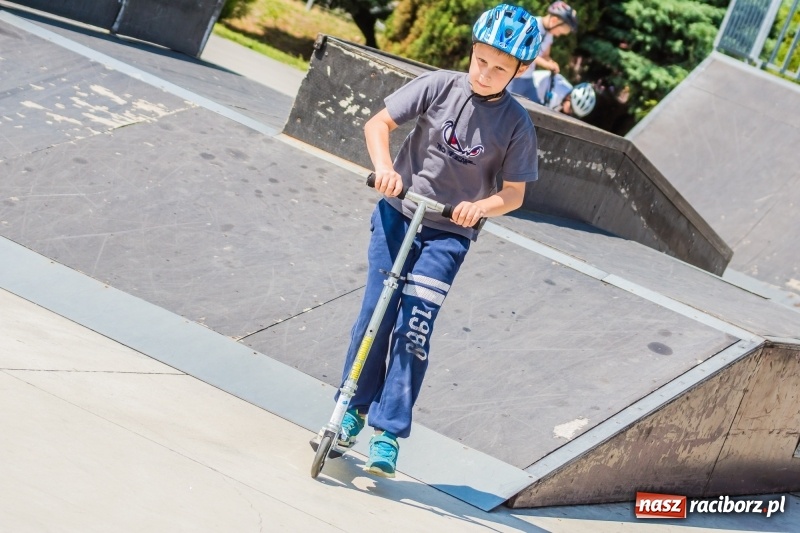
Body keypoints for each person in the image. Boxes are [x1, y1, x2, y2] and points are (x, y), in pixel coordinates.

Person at [335, 3, 542, 478]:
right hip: (397, 214)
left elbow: (513, 195)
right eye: (481, 60)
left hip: (448, 234)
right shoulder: (440, 86)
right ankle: (351, 408)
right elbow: (378, 124)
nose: (485, 74)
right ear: (472, 52)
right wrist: (386, 170)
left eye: (500, 68)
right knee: (376, 314)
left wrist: (478, 208)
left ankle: (387, 432)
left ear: (519, 72)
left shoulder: (516, 125)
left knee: (414, 328)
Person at [509, 70, 596, 118]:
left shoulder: (563, 102)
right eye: (571, 108)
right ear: (569, 97)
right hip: (525, 89)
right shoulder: (556, 87)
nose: (569, 112)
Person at [532, 1, 578, 74]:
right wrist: (546, 64)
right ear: (554, 20)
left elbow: (545, 55)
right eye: (559, 32)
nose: (557, 35)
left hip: (527, 75)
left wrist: (551, 62)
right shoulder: (531, 25)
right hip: (513, 75)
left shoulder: (549, 34)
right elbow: (523, 53)